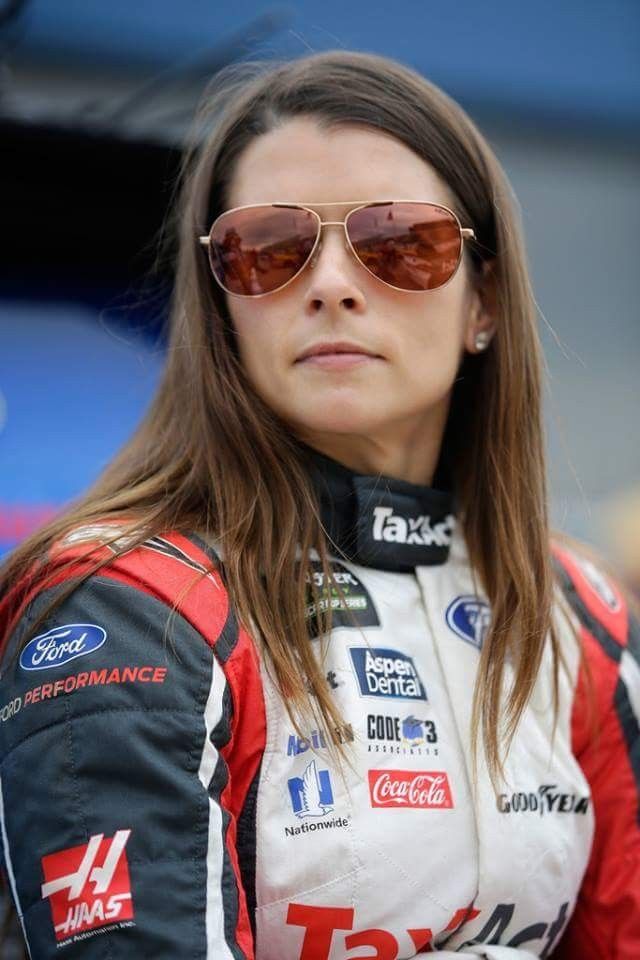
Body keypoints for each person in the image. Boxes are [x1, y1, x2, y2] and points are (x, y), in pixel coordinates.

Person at [0, 49, 638, 960]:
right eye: (268, 249)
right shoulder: (131, 608)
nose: (333, 284)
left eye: (401, 244)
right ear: (221, 304)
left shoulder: (576, 613)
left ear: (483, 303)